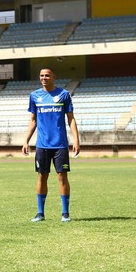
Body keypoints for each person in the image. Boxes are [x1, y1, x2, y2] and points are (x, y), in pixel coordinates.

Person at [22, 67, 80, 222]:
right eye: (41, 75)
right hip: (42, 145)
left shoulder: (64, 95)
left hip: (60, 144)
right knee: (42, 176)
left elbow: (71, 119)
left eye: (47, 75)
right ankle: (40, 213)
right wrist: (26, 141)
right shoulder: (35, 96)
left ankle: (65, 213)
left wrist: (76, 139)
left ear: (54, 77)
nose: (44, 78)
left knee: (62, 176)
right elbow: (33, 120)